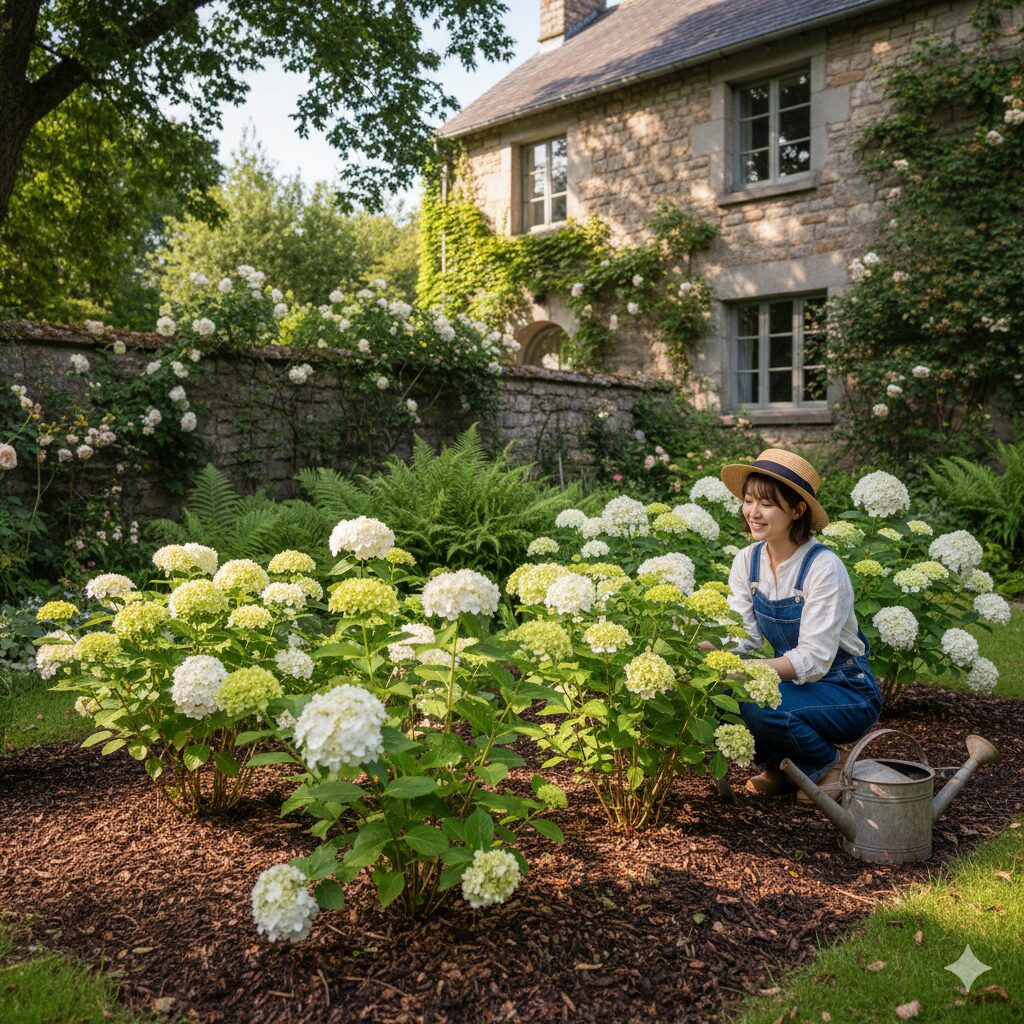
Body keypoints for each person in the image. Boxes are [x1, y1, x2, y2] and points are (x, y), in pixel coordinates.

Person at [717, 449, 882, 798]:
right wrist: (705, 649)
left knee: (757, 703)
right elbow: (741, 635)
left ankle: (826, 763)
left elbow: (816, 659)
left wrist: (748, 672)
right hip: (793, 683)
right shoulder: (747, 561)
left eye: (767, 504)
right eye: (748, 501)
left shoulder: (823, 567)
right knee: (716, 693)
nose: (754, 513)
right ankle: (781, 767)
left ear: (797, 510)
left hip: (845, 688)